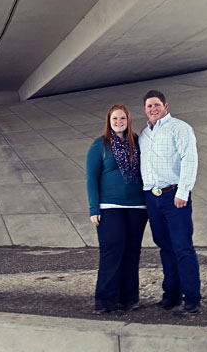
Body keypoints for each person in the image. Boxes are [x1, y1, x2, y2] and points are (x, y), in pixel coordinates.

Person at [139, 89, 201, 314]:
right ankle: (171, 295)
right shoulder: (144, 135)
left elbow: (189, 158)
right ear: (144, 110)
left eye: (157, 105)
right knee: (165, 247)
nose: (153, 109)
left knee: (182, 247)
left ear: (166, 106)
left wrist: (183, 192)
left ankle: (192, 298)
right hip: (152, 197)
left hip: (174, 196)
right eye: (149, 106)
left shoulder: (180, 128)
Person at [85, 104, 148, 314]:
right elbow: (91, 178)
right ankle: (105, 301)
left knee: (132, 252)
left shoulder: (138, 143)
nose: (119, 123)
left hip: (137, 206)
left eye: (122, 119)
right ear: (109, 122)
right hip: (110, 206)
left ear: (128, 120)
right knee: (112, 251)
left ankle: (129, 298)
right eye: (115, 119)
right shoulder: (100, 145)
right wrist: (94, 208)